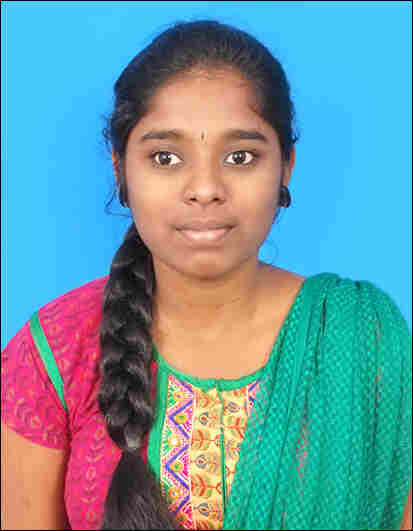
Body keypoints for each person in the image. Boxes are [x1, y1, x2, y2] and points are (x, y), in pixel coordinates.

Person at [1, 18, 412, 531]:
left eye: (240, 157)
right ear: (120, 168)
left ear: (285, 167)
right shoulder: (56, 351)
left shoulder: (361, 343)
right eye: (165, 157)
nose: (205, 189)